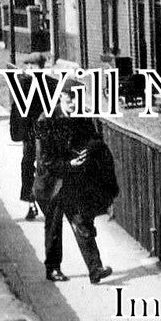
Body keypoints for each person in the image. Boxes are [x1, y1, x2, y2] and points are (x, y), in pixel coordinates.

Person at [32, 77, 116, 284]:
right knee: (53, 227)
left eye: (77, 99)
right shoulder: (46, 120)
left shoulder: (82, 118)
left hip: (72, 183)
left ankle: (95, 269)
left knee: (81, 222)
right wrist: (70, 164)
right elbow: (46, 160)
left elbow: (95, 141)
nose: (74, 104)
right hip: (51, 184)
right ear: (61, 97)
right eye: (70, 99)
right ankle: (52, 269)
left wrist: (87, 151)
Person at [9, 52, 54, 221]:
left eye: (31, 66)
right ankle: (33, 201)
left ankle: (37, 201)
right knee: (32, 166)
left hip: (40, 134)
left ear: (40, 67)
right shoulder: (28, 84)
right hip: (34, 135)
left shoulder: (32, 85)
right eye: (26, 66)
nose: (27, 69)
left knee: (36, 166)